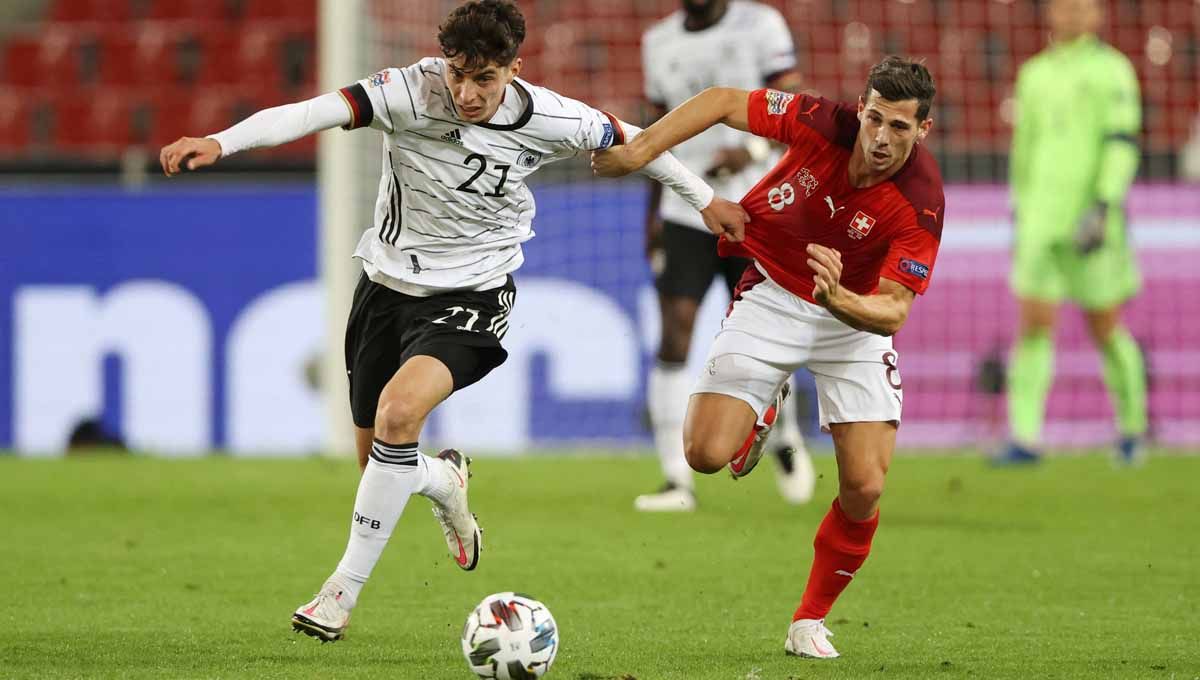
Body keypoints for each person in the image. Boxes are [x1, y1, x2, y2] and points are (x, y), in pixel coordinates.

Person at [159, 0, 748, 642]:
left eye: (485, 79)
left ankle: (338, 595)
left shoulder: (553, 116)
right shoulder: (407, 91)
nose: (466, 93)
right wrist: (222, 140)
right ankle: (443, 479)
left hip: (472, 293)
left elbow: (641, 143)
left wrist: (708, 199)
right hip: (384, 287)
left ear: (513, 70)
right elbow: (310, 113)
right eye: (457, 74)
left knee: (397, 414)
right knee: (380, 463)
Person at [593, 56, 944, 659]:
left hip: (852, 323)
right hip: (776, 293)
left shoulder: (922, 200)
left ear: (924, 131)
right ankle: (765, 407)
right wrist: (642, 149)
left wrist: (838, 298)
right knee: (703, 455)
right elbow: (725, 100)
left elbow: (892, 312)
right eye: (876, 120)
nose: (882, 139)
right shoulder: (820, 121)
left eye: (901, 128)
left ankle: (809, 620)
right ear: (860, 109)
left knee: (864, 486)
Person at [636, 0, 815, 512]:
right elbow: (653, 133)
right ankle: (675, 478)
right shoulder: (657, 41)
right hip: (684, 206)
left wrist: (755, 151)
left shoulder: (761, 25)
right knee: (675, 333)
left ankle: (785, 439)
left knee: (773, 332)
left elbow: (799, 108)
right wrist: (651, 218)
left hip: (760, 205)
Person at [1000, 0, 1146, 465]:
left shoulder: (1114, 71)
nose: (1073, 13)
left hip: (1092, 221)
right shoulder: (1034, 74)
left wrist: (1105, 203)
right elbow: (1024, 148)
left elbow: (1121, 143)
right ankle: (1025, 438)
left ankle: (1132, 430)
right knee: (1034, 325)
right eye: (1065, 5)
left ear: (1099, 14)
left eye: (1083, 5)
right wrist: (1020, 208)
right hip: (1041, 221)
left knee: (1105, 326)